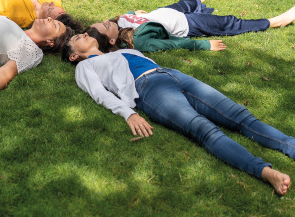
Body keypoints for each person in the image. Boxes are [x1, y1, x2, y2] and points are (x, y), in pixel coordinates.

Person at [61, 33, 293, 195]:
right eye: (76, 38)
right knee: (204, 130)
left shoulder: (121, 50)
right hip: (148, 88)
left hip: (172, 74)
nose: (83, 34)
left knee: (240, 115)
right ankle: (265, 172)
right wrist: (128, 113)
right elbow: (99, 94)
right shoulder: (84, 66)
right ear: (73, 55)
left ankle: (290, 145)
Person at [86, 0, 295, 53]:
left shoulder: (118, 23)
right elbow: (172, 44)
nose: (107, 21)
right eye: (106, 26)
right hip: (186, 24)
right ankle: (276, 21)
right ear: (112, 40)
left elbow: (129, 15)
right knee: (228, 23)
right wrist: (203, 45)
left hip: (163, 13)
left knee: (187, 2)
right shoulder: (139, 41)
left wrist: (134, 13)